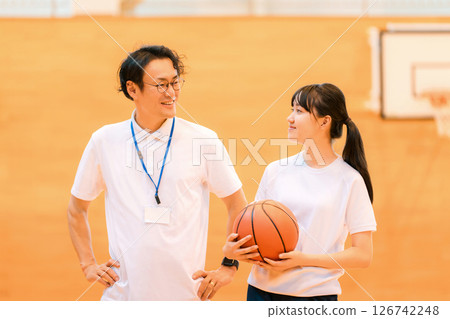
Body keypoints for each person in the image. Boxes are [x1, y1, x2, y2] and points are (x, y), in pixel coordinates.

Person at [67, 45, 247, 301]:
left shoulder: (203, 139)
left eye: (175, 82)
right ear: (132, 89)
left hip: (186, 300)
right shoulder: (104, 140)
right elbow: (76, 209)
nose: (171, 92)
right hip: (121, 300)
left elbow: (238, 206)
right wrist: (88, 265)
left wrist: (229, 266)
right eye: (160, 85)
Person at [224, 83, 377, 301]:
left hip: (315, 296)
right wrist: (233, 251)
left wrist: (303, 259)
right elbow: (254, 229)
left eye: (299, 111)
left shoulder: (350, 180)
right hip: (260, 292)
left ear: (325, 121)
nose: (290, 118)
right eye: (291, 109)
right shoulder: (275, 170)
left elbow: (363, 255)